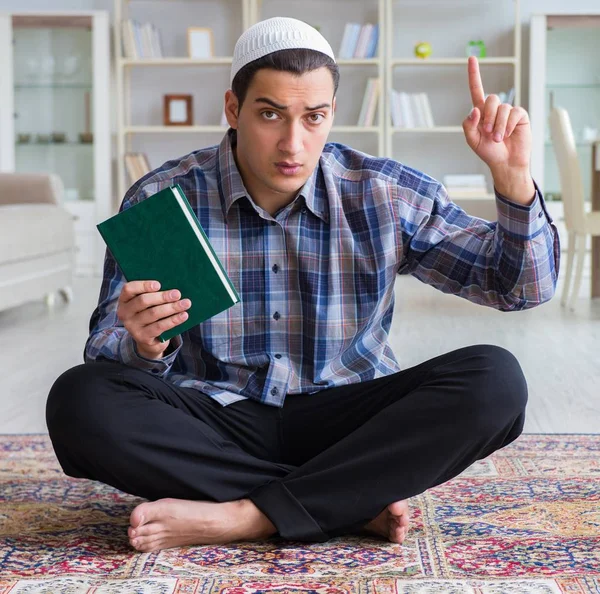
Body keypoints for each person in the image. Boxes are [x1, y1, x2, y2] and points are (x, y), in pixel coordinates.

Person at [46, 17, 560, 553]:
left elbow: (519, 288)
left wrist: (513, 178)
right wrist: (143, 344)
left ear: (332, 113)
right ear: (232, 109)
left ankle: (244, 516)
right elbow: (104, 350)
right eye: (270, 115)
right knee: (78, 401)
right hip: (217, 417)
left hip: (348, 415)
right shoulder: (163, 199)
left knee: (496, 380)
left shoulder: (383, 193)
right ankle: (345, 498)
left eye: (313, 118)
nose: (293, 143)